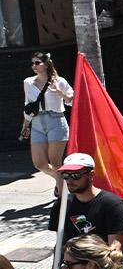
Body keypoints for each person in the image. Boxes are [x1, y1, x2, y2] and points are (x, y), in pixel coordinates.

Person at [59, 153, 123, 254]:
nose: (69, 181)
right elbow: (60, 243)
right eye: (65, 176)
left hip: (100, 262)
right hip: (71, 262)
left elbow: (114, 249)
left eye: (75, 176)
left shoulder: (112, 204)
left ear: (91, 175)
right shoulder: (62, 205)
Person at [23, 51, 72, 190]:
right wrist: (25, 125)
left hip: (56, 120)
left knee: (55, 162)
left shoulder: (59, 81)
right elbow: (28, 105)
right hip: (37, 122)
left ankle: (62, 195)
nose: (34, 66)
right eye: (32, 63)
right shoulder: (28, 82)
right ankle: (63, 181)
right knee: (39, 164)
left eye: (37, 63)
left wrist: (59, 92)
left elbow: (72, 100)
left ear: (46, 64)